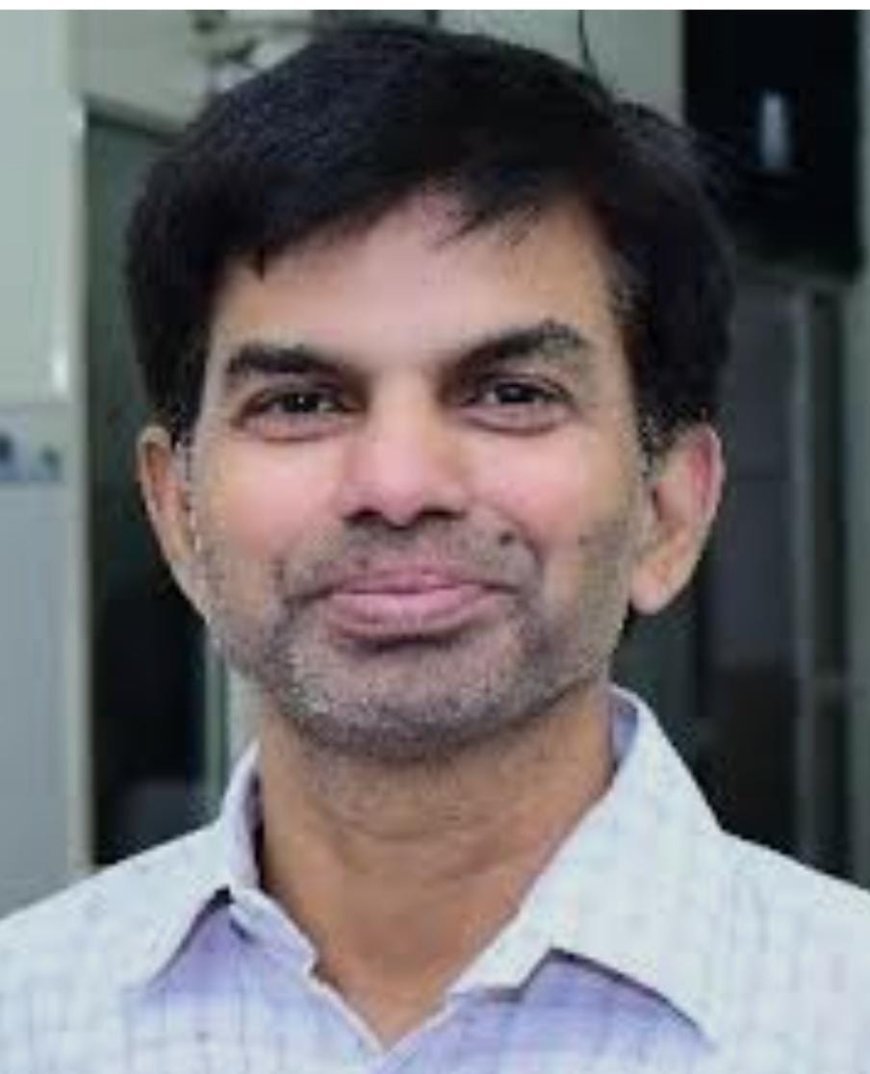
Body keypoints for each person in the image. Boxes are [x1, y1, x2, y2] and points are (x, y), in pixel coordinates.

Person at [3, 21, 870, 1072]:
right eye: (301, 402)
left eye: (511, 393)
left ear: (669, 511)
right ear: (177, 511)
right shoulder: (31, 1017)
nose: (400, 485)